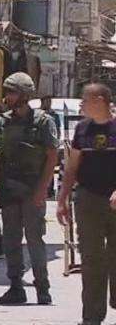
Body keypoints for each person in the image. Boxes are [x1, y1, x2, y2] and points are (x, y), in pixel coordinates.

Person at [0, 72, 58, 305]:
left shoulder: (42, 121)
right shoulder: (2, 121)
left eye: (12, 92)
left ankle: (42, 287)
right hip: (9, 188)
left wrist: (42, 189)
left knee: (34, 238)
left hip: (32, 188)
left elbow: (51, 157)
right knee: (10, 239)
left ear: (25, 95)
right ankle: (16, 286)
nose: (7, 96)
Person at [57, 83, 116, 325]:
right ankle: (91, 316)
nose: (81, 104)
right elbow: (72, 167)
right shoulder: (82, 129)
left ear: (100, 100)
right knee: (91, 259)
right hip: (88, 200)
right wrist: (62, 200)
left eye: (85, 99)